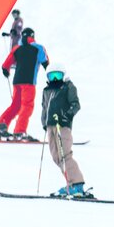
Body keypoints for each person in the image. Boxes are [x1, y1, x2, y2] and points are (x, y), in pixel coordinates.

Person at [41, 64, 90, 198]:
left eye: (58, 75)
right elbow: (44, 107)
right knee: (56, 156)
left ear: (63, 75)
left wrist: (66, 115)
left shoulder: (68, 87)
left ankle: (77, 184)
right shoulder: (46, 90)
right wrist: (44, 122)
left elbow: (75, 104)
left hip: (62, 125)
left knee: (65, 154)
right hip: (51, 126)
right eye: (52, 76)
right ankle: (71, 183)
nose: (55, 79)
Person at [0, 27, 48, 141]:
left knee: (15, 106)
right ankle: (19, 131)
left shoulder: (17, 48)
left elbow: (5, 65)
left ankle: (0, 127)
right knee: (27, 106)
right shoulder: (38, 48)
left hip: (16, 82)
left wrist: (6, 71)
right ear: (32, 36)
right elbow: (47, 63)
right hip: (29, 82)